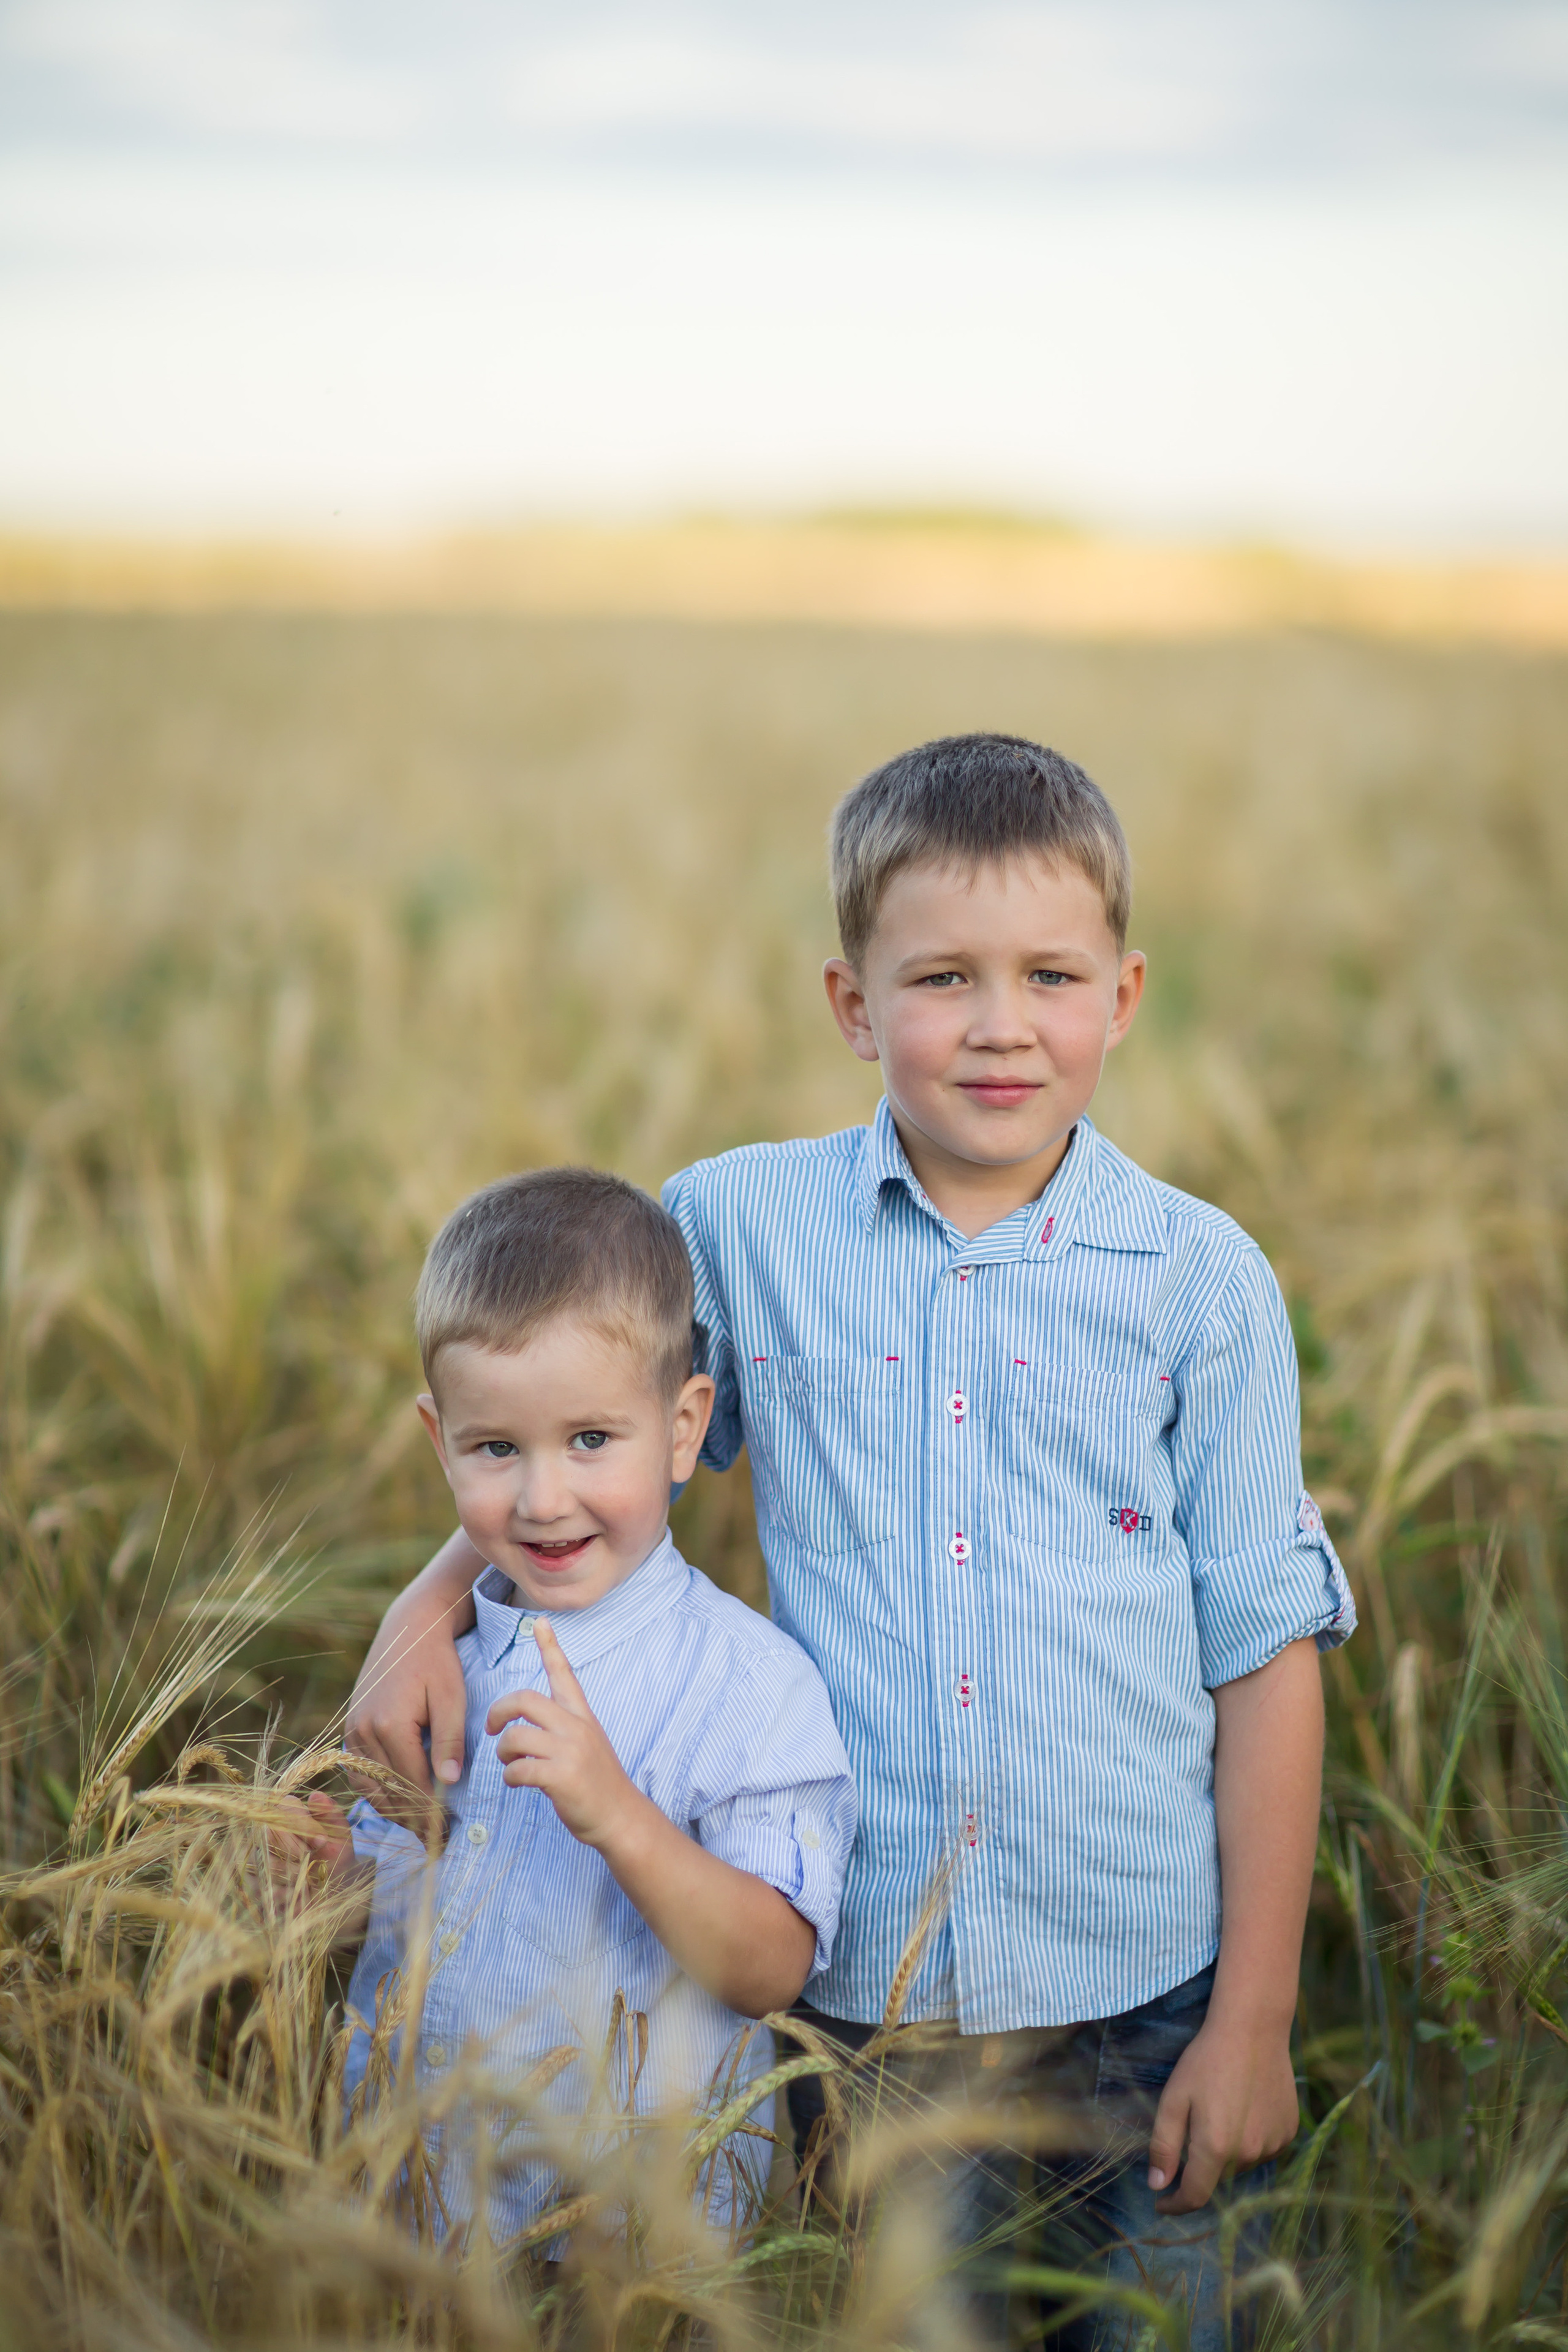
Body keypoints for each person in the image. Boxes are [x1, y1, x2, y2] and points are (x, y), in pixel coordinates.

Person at [342, 734, 1355, 2340]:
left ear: (1127, 993)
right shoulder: (740, 1226)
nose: (1003, 1024)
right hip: (878, 2008)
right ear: (853, 1005)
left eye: (1052, 975)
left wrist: (1256, 2015)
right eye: (944, 978)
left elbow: (1263, 1654)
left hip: (1151, 1992)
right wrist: (422, 1613)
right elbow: (579, 1449)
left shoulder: (1198, 1282)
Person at [298, 1166, 856, 2247]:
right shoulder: (434, 1665)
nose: (543, 1498)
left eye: (591, 1441)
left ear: (686, 1425)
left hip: (627, 2252)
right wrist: (333, 1893)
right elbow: (414, 1917)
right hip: (412, 2214)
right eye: (496, 1449)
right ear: (439, 1439)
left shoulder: (748, 1683)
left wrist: (617, 1815)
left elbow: (772, 1965)